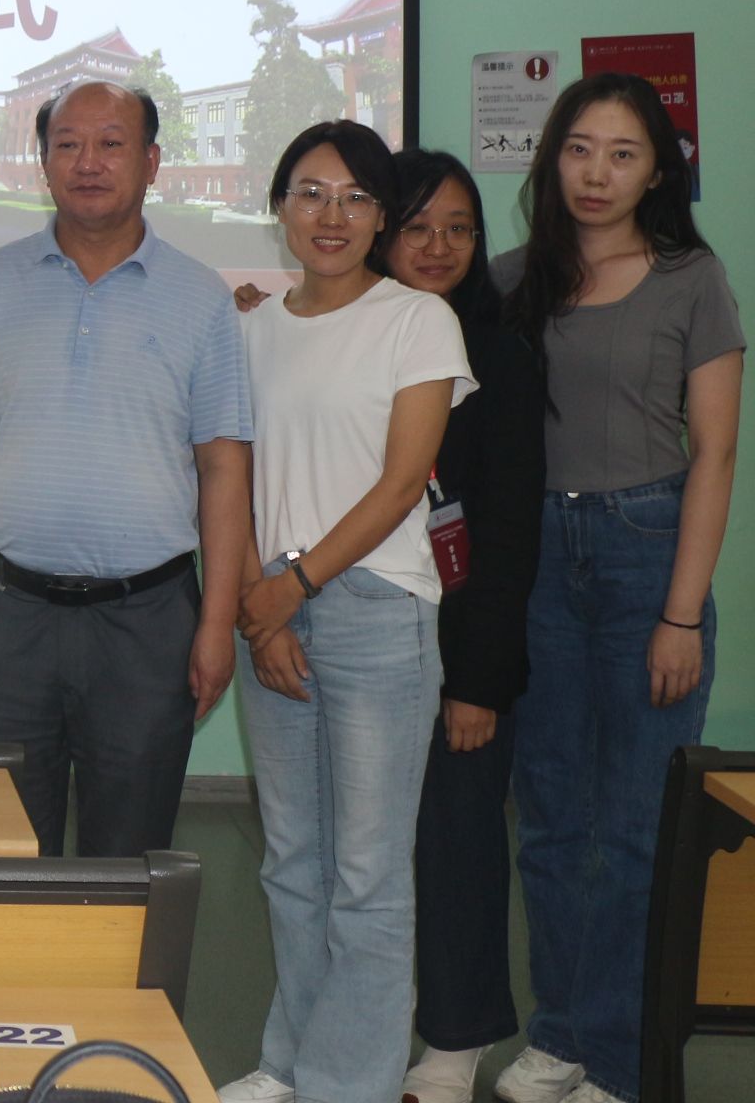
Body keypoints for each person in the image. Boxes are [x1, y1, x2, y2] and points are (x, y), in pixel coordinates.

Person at [492, 73, 742, 1103]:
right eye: (580, 148)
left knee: (637, 829)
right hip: (538, 560)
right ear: (553, 158)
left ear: (657, 172)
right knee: (552, 820)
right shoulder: (512, 279)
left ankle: (623, 1060)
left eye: (624, 153)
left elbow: (716, 452)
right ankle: (559, 1035)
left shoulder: (692, 277)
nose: (597, 173)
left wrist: (682, 612)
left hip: (648, 553)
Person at [220, 121, 473, 1103]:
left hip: (375, 611)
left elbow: (403, 482)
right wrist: (266, 610)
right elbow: (235, 483)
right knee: (292, 864)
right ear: (280, 206)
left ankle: (348, 1084)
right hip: (272, 610)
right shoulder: (249, 331)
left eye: (357, 197)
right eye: (312, 193)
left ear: (381, 218)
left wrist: (293, 586)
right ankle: (289, 1064)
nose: (333, 215)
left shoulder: (418, 321)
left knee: (367, 878)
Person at [0, 79, 251, 856]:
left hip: (146, 622)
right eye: (68, 145)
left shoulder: (201, 298)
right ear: (43, 161)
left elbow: (223, 467)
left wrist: (216, 624)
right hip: (5, 615)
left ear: (151, 162)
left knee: (129, 857)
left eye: (112, 144)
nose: (89, 162)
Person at [379, 153, 543, 1103]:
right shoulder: (354, 334)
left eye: (459, 229)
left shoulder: (500, 353)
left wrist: (477, 681)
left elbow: (508, 530)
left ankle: (455, 1038)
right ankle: (364, 1021)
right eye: (417, 227)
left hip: (460, 645)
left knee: (456, 844)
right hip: (361, 631)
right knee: (364, 853)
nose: (439, 246)